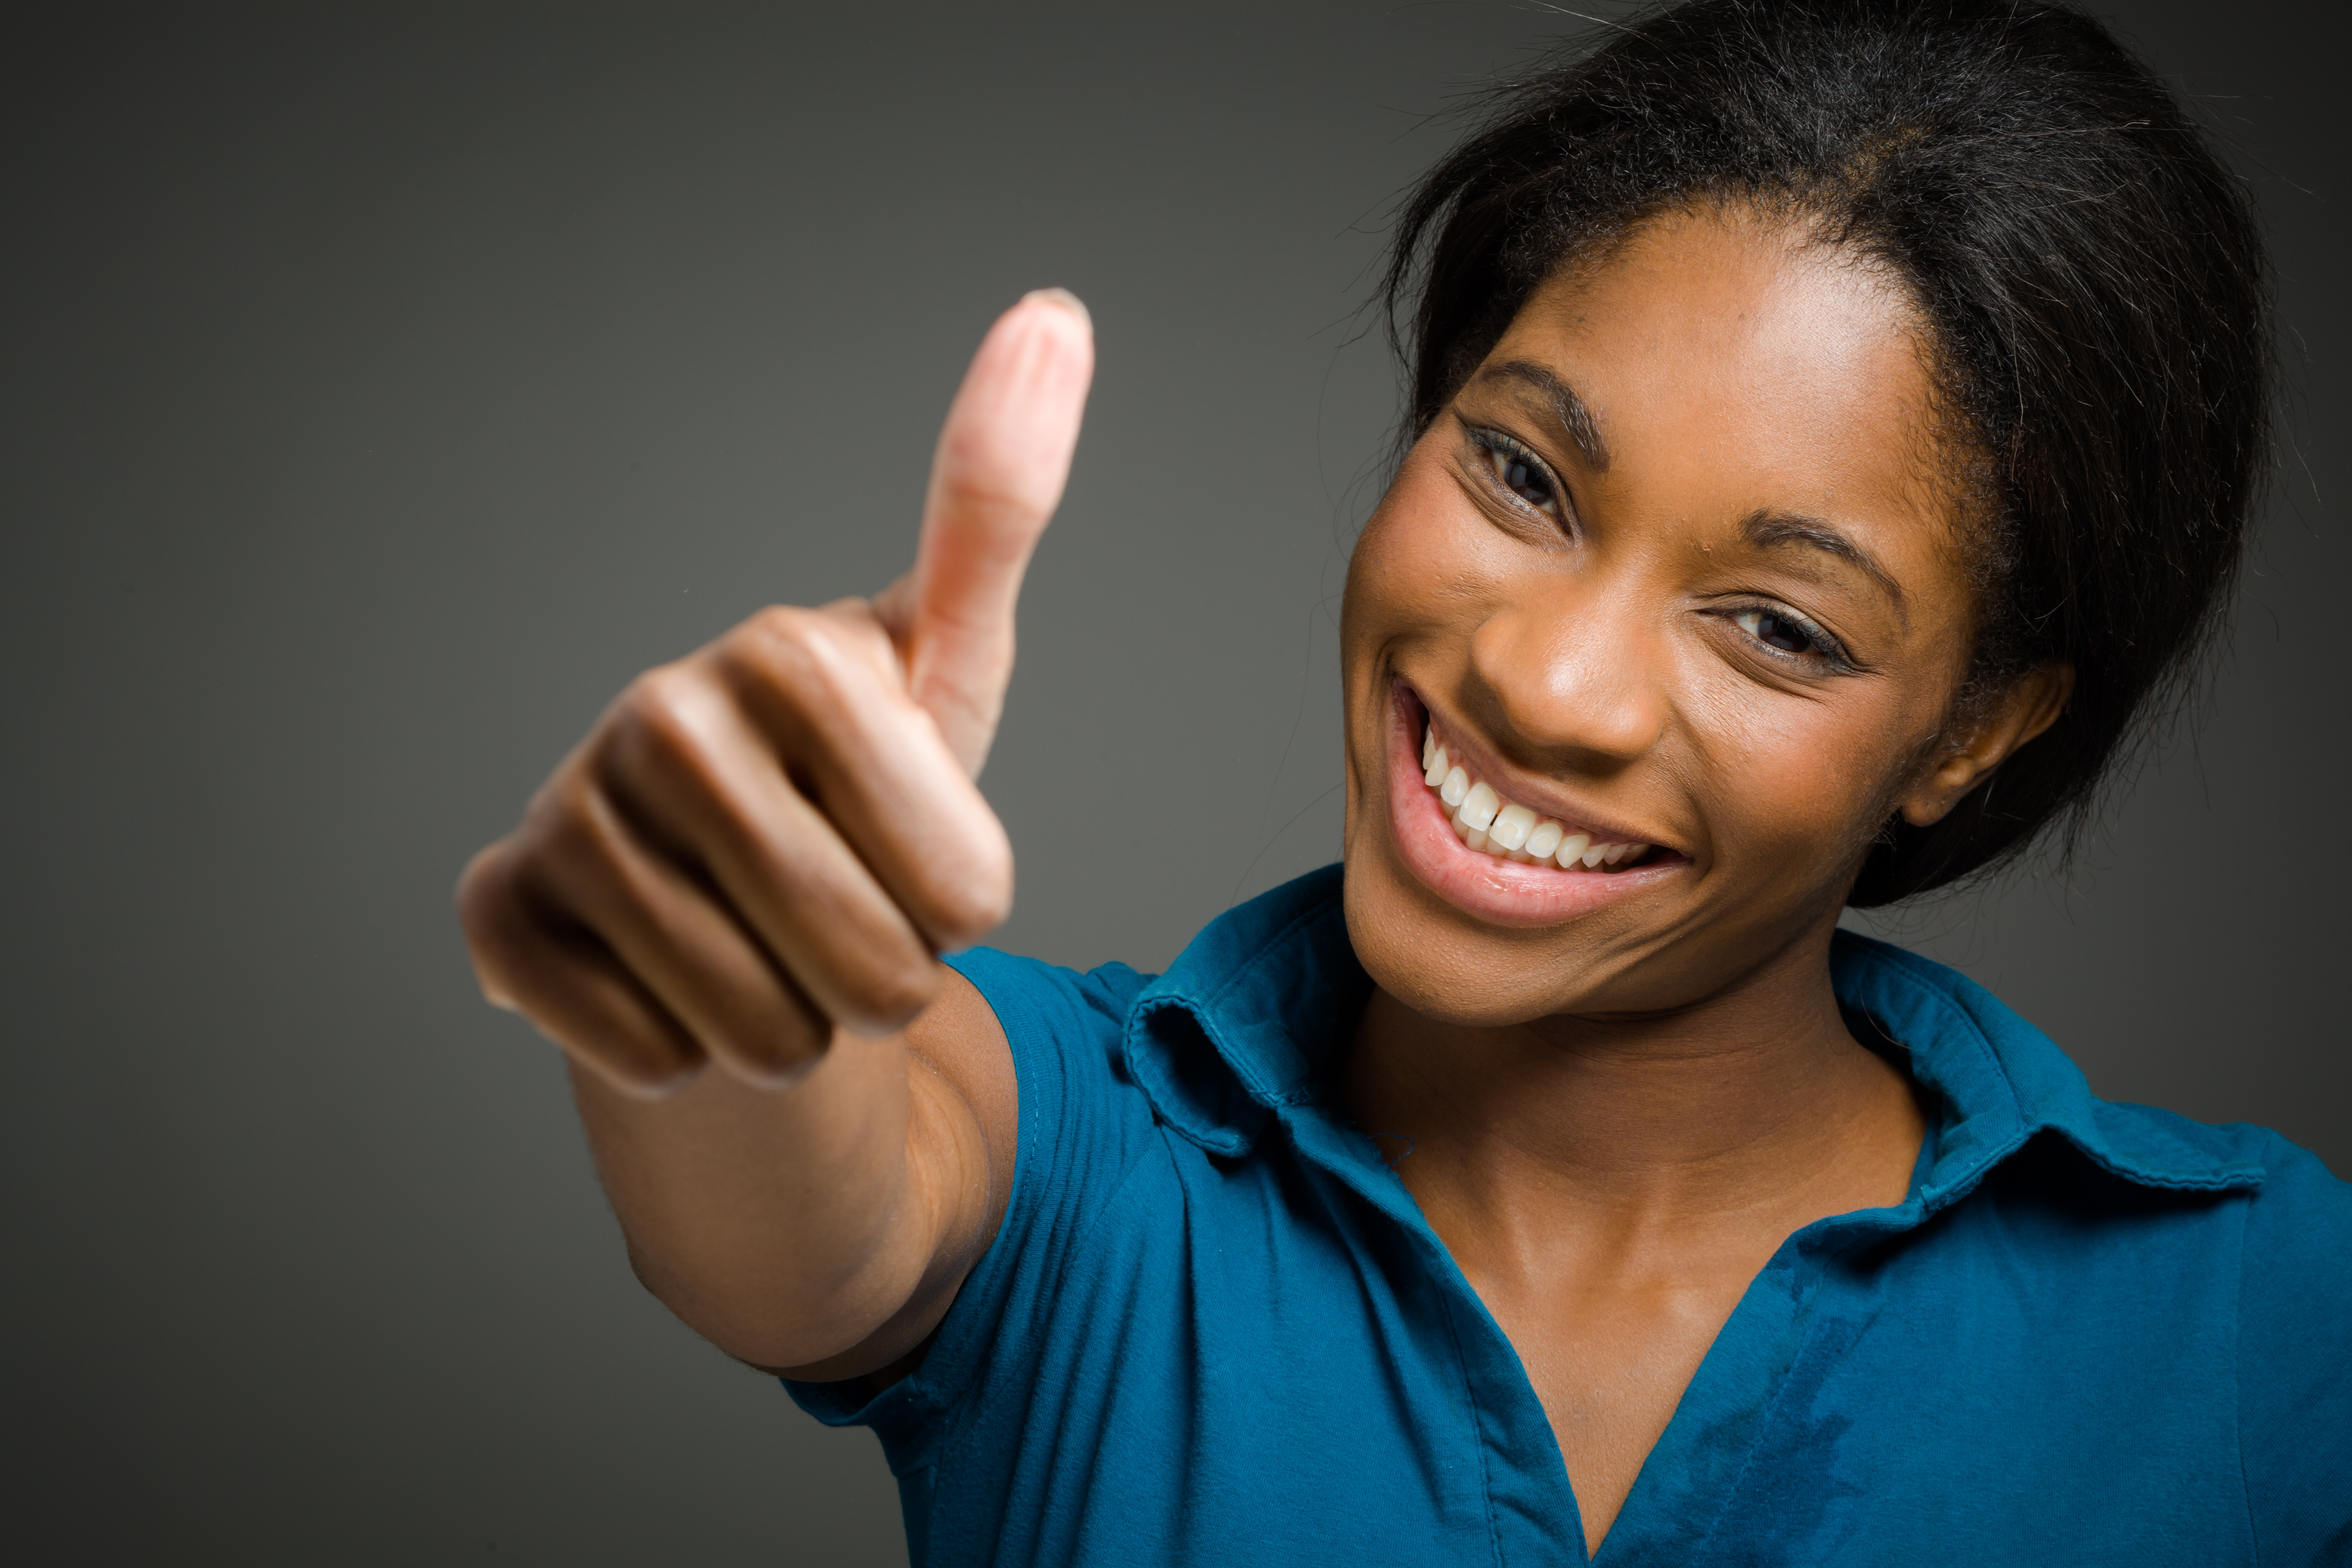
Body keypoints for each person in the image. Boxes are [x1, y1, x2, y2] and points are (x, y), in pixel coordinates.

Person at [457, 1, 2350, 1561]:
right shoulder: (1085, 1164)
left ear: (1977, 728)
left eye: (1778, 626)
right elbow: (811, 1217)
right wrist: (710, 962)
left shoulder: (2267, 1319)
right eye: (1523, 476)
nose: (1548, 686)